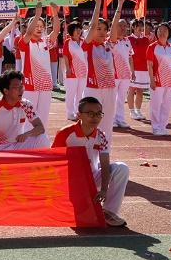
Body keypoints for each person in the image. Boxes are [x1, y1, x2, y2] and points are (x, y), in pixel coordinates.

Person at [52, 97, 129, 227]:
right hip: (71, 182)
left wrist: (103, 189)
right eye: (90, 114)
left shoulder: (101, 136)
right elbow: (54, 162)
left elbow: (104, 163)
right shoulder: (64, 133)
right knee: (81, 220)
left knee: (121, 168)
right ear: (79, 115)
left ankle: (108, 212)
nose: (95, 117)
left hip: (92, 178)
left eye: (99, 114)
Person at [82, 0, 125, 146]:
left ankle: (105, 150)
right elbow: (93, 25)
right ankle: (88, 150)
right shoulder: (87, 46)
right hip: (93, 89)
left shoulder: (108, 46)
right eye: (98, 29)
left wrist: (120, 4)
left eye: (104, 29)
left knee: (107, 122)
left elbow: (114, 27)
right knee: (90, 122)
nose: (102, 32)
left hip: (110, 88)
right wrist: (98, 4)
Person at [14, 4, 61, 128]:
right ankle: (27, 137)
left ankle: (41, 137)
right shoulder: (24, 42)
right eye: (36, 26)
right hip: (30, 84)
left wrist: (55, 13)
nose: (39, 29)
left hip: (45, 83)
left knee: (43, 114)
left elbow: (56, 31)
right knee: (29, 115)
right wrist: (37, 15)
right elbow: (29, 33)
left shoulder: (45, 41)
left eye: (41, 26)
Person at [0, 70, 48, 151]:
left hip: (17, 145)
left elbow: (40, 128)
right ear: (6, 91)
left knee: (42, 138)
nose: (21, 89)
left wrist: (27, 134)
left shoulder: (26, 105)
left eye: (21, 86)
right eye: (16, 87)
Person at [147, 22, 171, 136]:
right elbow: (149, 65)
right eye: (160, 30)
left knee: (166, 104)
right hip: (157, 80)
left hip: (170, 80)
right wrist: (151, 80)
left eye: (165, 30)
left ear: (169, 33)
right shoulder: (152, 47)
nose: (162, 33)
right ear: (156, 33)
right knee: (156, 104)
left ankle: (163, 126)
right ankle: (156, 127)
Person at [125, 19, 152, 121]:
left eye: (141, 26)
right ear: (133, 27)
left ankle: (138, 110)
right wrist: (131, 69)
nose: (140, 28)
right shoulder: (128, 39)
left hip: (144, 69)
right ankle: (132, 111)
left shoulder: (146, 39)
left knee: (140, 91)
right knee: (131, 90)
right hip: (133, 68)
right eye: (138, 26)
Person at [111, 18, 133, 129]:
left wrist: (132, 71)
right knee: (112, 98)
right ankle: (112, 119)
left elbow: (130, 57)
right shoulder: (110, 40)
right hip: (114, 74)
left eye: (125, 26)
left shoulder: (127, 41)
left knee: (121, 98)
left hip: (125, 74)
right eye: (120, 26)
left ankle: (120, 119)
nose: (123, 28)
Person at [63, 21, 88, 120]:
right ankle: (70, 113)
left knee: (80, 93)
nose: (78, 31)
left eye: (79, 29)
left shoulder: (83, 41)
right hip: (72, 71)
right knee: (71, 93)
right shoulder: (68, 42)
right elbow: (65, 56)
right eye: (76, 29)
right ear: (71, 31)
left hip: (83, 71)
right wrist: (68, 69)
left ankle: (78, 112)